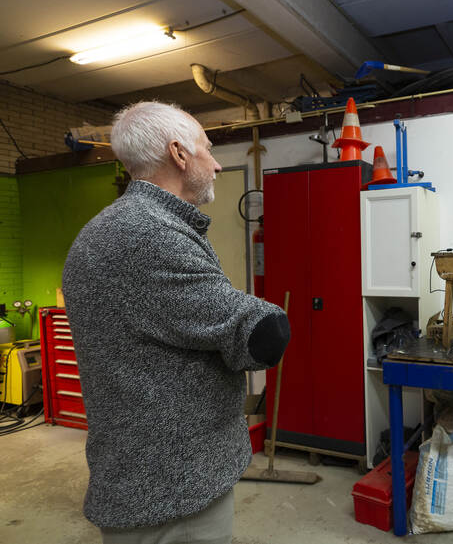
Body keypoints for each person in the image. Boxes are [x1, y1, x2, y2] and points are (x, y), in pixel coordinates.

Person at [62, 101, 291, 544]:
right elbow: (256, 332)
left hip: (149, 471)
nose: (217, 164)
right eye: (207, 148)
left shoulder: (113, 226)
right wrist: (270, 318)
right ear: (179, 154)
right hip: (172, 487)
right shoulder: (147, 235)